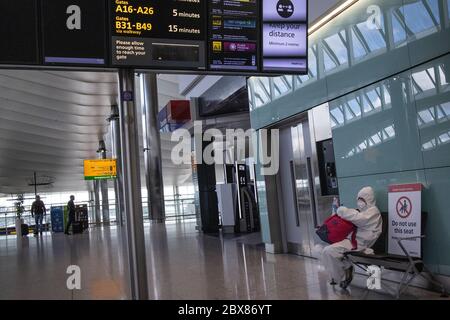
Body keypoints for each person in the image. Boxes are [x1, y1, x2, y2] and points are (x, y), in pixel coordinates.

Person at [315, 186, 382, 289]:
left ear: (369, 200)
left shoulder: (373, 212)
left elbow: (358, 218)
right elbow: (352, 217)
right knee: (322, 250)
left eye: (362, 200)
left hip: (360, 245)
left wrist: (341, 210)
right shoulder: (362, 211)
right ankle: (345, 268)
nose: (359, 202)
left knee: (328, 251)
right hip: (351, 241)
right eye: (358, 200)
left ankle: (340, 275)